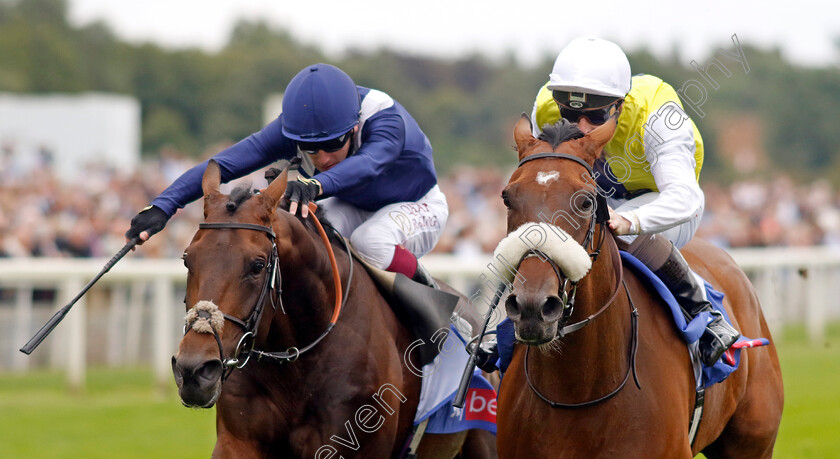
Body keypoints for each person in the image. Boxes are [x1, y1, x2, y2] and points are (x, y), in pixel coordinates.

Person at [489, 37, 738, 368]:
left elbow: (686, 198)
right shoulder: (545, 107)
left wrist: (630, 222)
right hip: (593, 198)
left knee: (615, 235)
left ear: (619, 105)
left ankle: (703, 313)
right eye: (570, 113)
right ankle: (510, 324)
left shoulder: (658, 116)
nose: (580, 128)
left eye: (594, 116)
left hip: (659, 203)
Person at [125, 63, 447, 288]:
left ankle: (431, 297)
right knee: (305, 231)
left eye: (333, 144)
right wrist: (163, 206)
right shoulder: (292, 127)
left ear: (355, 127)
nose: (323, 157)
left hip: (418, 204)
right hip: (352, 204)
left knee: (370, 240)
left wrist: (315, 183)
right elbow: (223, 164)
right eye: (310, 148)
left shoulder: (385, 118)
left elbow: (369, 165)